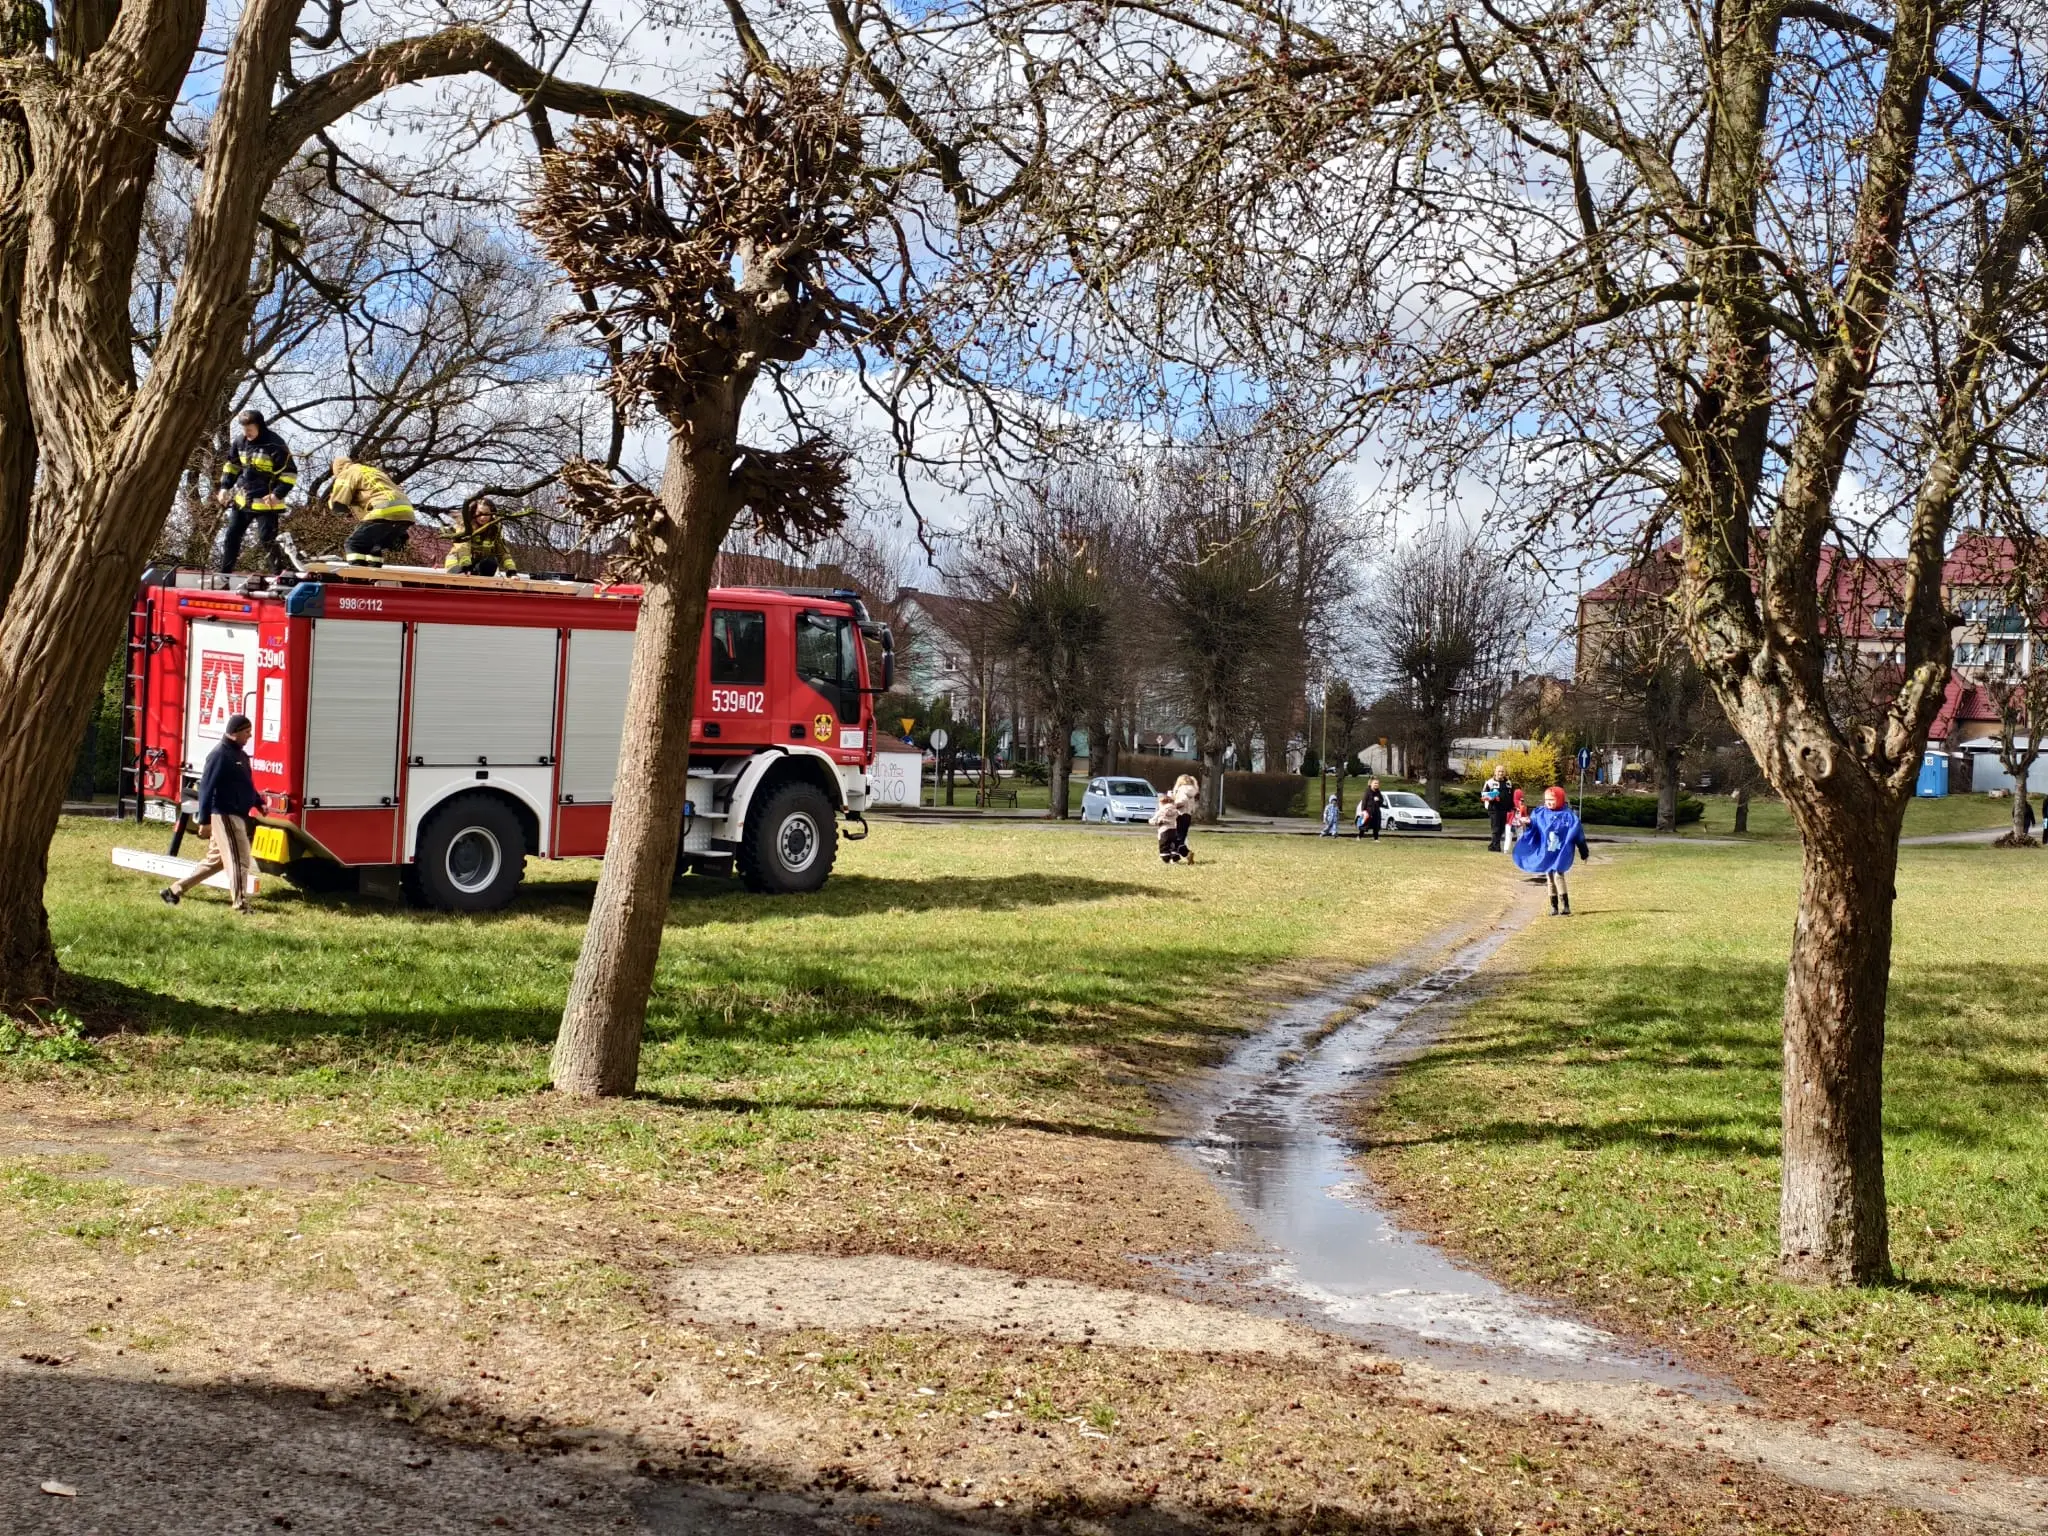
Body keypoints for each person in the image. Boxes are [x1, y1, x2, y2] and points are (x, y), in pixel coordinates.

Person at [161, 714, 262, 912]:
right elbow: (206, 788)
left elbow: (246, 785)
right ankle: (240, 904)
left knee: (215, 862)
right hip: (225, 815)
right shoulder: (219, 755)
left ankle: (173, 891)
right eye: (247, 732)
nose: (249, 736)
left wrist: (258, 802)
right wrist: (204, 820)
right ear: (235, 732)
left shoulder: (241, 756)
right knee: (239, 859)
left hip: (237, 814)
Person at [215, 409, 297, 573]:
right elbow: (232, 466)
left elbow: (289, 473)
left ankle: (279, 574)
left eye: (250, 430)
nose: (247, 434)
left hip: (267, 502)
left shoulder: (275, 444)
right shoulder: (240, 441)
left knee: (267, 539)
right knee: (231, 536)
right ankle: (224, 574)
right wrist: (224, 487)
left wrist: (277, 494)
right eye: (244, 430)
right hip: (242, 499)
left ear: (259, 426)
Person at [1513, 785, 1592, 916]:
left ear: (1559, 799)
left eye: (1552, 800)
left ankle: (1565, 906)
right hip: (1547, 852)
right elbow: (1535, 825)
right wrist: (1529, 822)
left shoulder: (1568, 816)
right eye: (1546, 800)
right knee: (1549, 877)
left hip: (1561, 852)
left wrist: (1584, 853)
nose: (1548, 802)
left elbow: (1578, 835)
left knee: (1558, 875)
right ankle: (1554, 907)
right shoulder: (1540, 813)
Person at [328, 456, 418, 568]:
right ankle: (374, 570)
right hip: (406, 513)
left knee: (354, 544)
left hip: (383, 510)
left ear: (337, 470)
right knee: (373, 547)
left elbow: (338, 503)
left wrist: (333, 501)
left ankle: (358, 573)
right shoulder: (373, 471)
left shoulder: (347, 473)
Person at [446, 496, 520, 577]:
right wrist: (465, 566)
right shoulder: (465, 525)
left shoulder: (494, 529)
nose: (483, 517)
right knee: (461, 576)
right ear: (474, 512)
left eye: (487, 514)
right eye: (480, 513)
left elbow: (502, 552)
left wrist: (511, 570)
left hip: (477, 566)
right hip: (457, 563)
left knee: (490, 563)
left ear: (492, 514)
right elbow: (463, 546)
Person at [1170, 773, 1201, 863]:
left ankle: (1183, 854)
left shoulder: (1182, 789)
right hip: (1188, 815)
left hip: (1180, 814)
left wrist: (1174, 805)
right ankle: (1183, 855)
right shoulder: (1192, 790)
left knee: (1176, 838)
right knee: (1181, 837)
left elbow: (1183, 800)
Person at [1482, 766, 1510, 852]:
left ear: (1505, 772)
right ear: (1495, 772)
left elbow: (1511, 795)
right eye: (1499, 771)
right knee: (1496, 828)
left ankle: (1492, 846)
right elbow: (1484, 796)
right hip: (1494, 809)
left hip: (1505, 810)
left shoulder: (1508, 783)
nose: (1500, 773)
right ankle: (1496, 847)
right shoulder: (1489, 782)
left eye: (1502, 771)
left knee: (1501, 829)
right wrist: (1493, 797)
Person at [1150, 793, 1182, 863]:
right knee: (1173, 845)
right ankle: (1175, 858)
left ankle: (1166, 858)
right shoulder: (1176, 811)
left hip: (1164, 830)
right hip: (1174, 830)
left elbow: (1152, 820)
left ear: (1161, 803)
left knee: (1164, 845)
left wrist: (1156, 822)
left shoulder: (1161, 811)